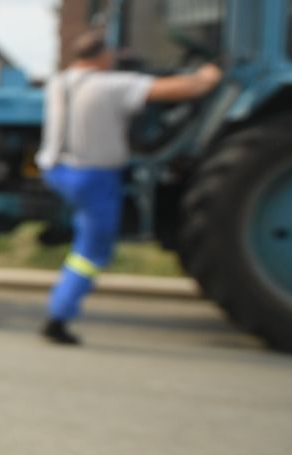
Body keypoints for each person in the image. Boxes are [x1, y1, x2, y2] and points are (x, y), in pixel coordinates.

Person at [36, 30, 220, 344]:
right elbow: (188, 88)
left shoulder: (59, 82)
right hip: (92, 177)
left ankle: (66, 234)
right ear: (103, 56)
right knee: (91, 251)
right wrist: (213, 70)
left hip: (57, 170)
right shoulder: (113, 86)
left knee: (85, 226)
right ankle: (59, 316)